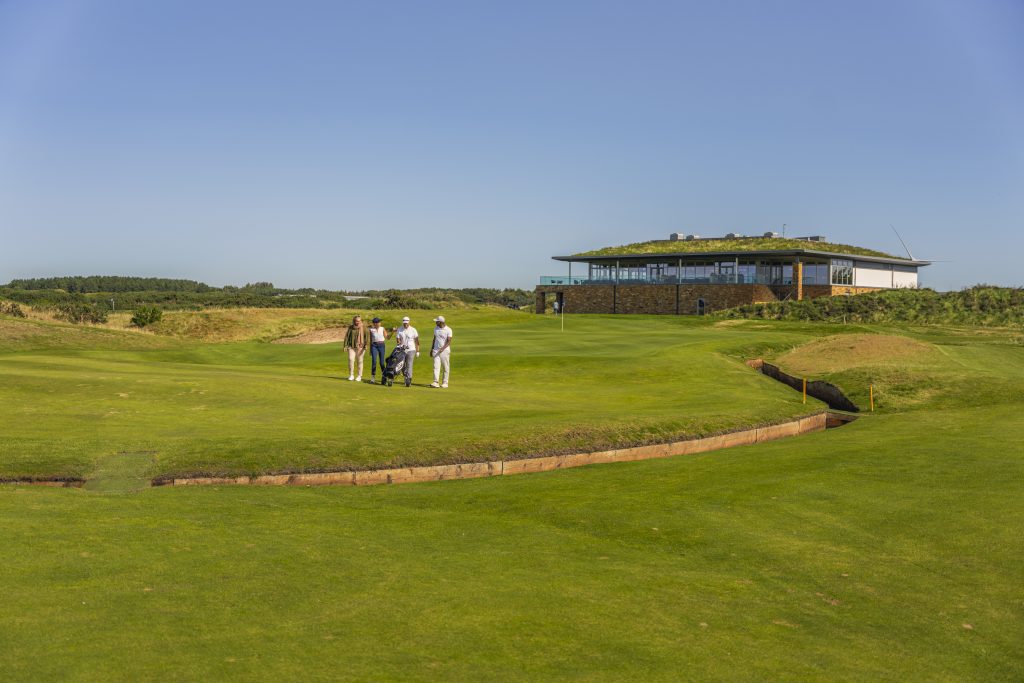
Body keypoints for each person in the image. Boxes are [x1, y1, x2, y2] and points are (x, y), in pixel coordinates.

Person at [395, 316, 419, 387]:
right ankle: (406, 377)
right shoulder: (400, 329)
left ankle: (409, 380)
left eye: (406, 323)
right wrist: (399, 344)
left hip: (411, 349)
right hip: (402, 350)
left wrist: (418, 351)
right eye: (404, 323)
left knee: (409, 365)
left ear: (409, 322)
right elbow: (398, 339)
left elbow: (417, 341)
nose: (405, 324)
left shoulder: (413, 330)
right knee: (401, 365)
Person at [429, 315, 452, 388]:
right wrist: (432, 349)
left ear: (441, 322)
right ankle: (436, 382)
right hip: (436, 350)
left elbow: (449, 341)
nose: (435, 322)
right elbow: (434, 339)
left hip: (445, 351)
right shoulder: (436, 328)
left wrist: (443, 348)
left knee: (445, 367)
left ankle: (445, 382)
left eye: (437, 321)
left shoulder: (448, 330)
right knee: (436, 366)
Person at [367, 317, 392, 384]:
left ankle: (384, 376)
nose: (379, 323)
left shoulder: (382, 328)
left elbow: (387, 338)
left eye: (379, 322)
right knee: (374, 361)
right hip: (374, 346)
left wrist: (393, 332)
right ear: (375, 323)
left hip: (381, 345)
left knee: (381, 363)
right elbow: (371, 340)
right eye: (378, 322)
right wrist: (370, 350)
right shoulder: (371, 330)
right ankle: (372, 378)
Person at [343, 314, 367, 382]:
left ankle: (359, 376)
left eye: (359, 321)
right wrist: (345, 345)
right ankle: (351, 375)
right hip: (351, 346)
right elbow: (347, 337)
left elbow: (367, 337)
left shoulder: (364, 328)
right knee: (351, 359)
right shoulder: (351, 327)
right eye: (356, 321)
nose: (358, 322)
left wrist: (366, 345)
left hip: (361, 347)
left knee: (360, 361)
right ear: (354, 321)